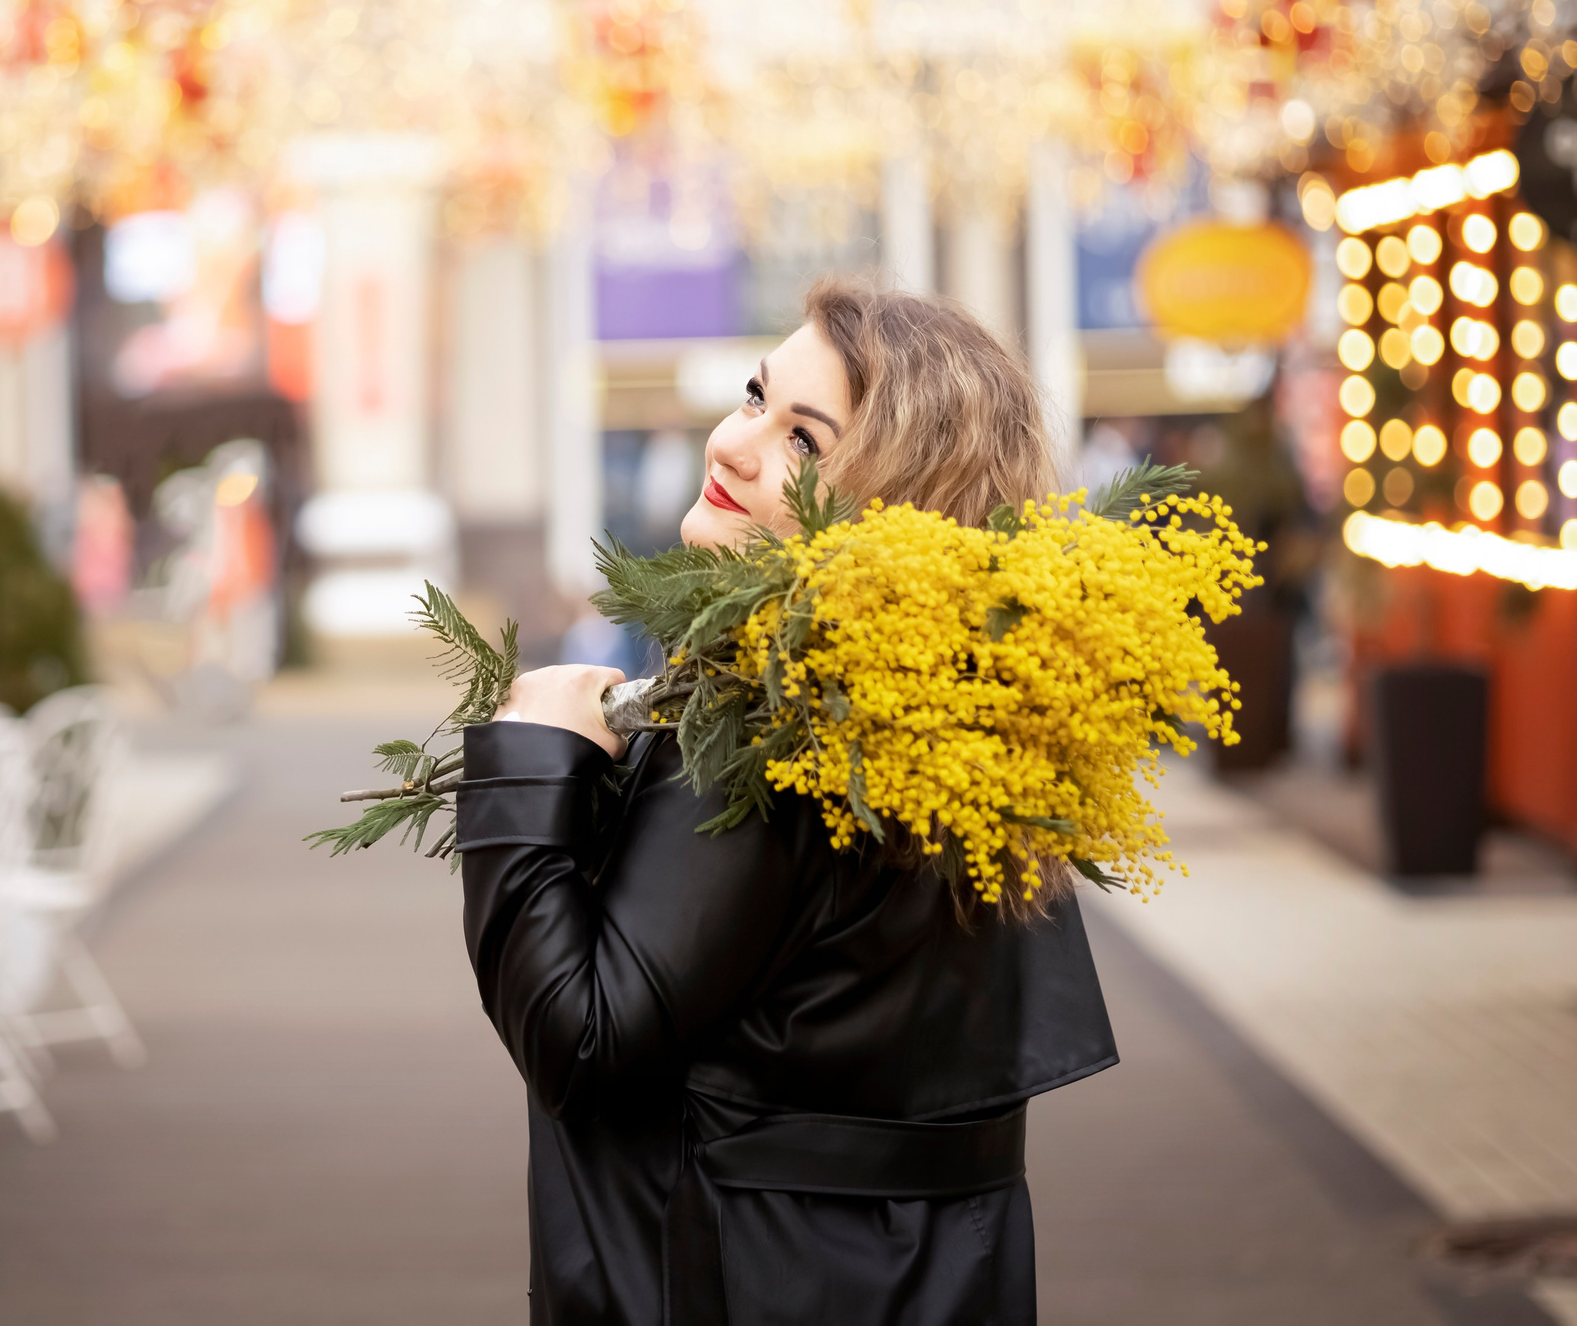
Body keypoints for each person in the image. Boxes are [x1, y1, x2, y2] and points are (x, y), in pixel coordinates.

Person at [457, 278, 1118, 1326]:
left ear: (888, 506)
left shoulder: (782, 729)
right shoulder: (954, 716)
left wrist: (531, 760)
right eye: (753, 395)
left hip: (744, 1279)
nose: (731, 443)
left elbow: (579, 1036)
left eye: (803, 441)